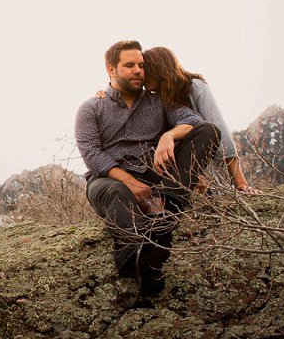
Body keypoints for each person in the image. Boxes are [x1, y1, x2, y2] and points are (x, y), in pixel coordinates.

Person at [75, 40, 220, 300]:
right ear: (111, 69)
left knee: (208, 131)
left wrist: (169, 136)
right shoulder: (90, 109)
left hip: (158, 178)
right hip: (109, 179)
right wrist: (132, 183)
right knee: (117, 192)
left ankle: (168, 212)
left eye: (141, 65)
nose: (138, 71)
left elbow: (193, 122)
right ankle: (138, 260)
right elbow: (93, 156)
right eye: (129, 65)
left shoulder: (159, 102)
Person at [141, 46, 259, 195]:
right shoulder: (154, 97)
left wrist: (240, 183)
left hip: (200, 163)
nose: (141, 74)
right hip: (169, 168)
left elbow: (220, 130)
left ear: (157, 69)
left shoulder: (195, 86)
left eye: (145, 68)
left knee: (209, 130)